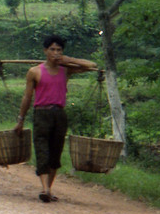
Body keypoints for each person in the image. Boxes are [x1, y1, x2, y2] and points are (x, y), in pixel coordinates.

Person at [14, 35, 98, 202]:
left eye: (59, 50)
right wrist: (21, 119)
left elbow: (92, 65)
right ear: (45, 51)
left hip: (59, 114)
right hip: (41, 114)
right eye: (52, 49)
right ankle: (45, 189)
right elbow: (27, 97)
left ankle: (49, 189)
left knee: (55, 152)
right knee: (41, 150)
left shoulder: (66, 69)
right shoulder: (35, 72)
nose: (56, 53)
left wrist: (69, 60)